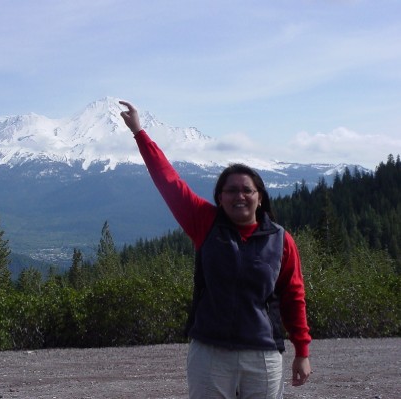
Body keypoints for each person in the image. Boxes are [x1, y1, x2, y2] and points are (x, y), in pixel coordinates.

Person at [119, 100, 312, 399]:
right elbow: (167, 180)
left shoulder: (281, 240)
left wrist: (302, 351)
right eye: (231, 190)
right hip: (210, 352)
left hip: (262, 354)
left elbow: (293, 295)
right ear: (220, 197)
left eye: (247, 190)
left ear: (259, 197)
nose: (239, 196)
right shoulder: (205, 222)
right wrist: (139, 132)